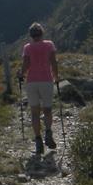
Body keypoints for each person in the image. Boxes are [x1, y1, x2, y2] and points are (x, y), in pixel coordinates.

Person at [19, 22, 59, 155]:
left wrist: (21, 75)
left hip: (32, 82)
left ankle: (38, 141)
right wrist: (56, 77)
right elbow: (53, 62)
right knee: (47, 110)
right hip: (46, 80)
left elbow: (26, 64)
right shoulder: (49, 45)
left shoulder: (27, 48)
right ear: (42, 33)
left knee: (35, 112)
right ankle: (48, 132)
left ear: (31, 35)